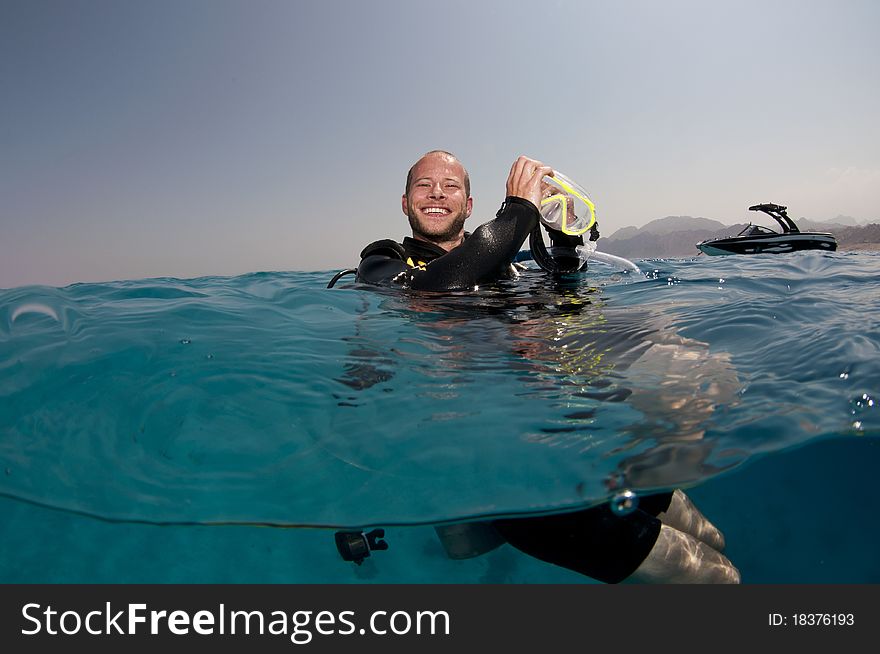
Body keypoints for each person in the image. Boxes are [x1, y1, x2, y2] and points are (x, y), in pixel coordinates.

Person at [354, 150, 741, 584]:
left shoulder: (507, 268)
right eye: (424, 185)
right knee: (719, 579)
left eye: (451, 186)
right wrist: (520, 211)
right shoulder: (383, 264)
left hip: (577, 446)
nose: (437, 193)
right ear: (405, 203)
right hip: (518, 484)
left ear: (468, 205)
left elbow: (570, 303)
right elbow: (437, 287)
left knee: (714, 539)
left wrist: (562, 240)